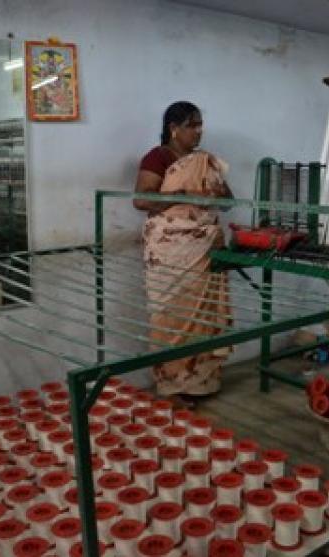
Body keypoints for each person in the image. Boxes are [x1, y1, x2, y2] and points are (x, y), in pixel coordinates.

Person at [135, 101, 234, 406]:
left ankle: (200, 383)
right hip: (170, 251)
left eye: (201, 125)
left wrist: (218, 193)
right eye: (192, 125)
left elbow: (228, 202)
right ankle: (171, 387)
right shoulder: (159, 157)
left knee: (202, 316)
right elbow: (142, 199)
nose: (199, 131)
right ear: (173, 129)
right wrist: (183, 195)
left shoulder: (206, 162)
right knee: (170, 315)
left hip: (202, 249)